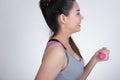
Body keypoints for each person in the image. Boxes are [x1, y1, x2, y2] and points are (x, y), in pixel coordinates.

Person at [35, 0, 110, 80]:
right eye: (77, 13)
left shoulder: (67, 43)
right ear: (63, 18)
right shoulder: (57, 51)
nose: (82, 17)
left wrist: (95, 59)